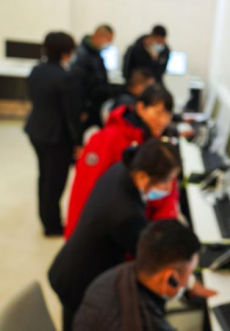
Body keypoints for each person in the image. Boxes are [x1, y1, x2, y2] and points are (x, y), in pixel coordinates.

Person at [50, 139, 212, 331]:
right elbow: (154, 259)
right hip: (77, 279)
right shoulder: (125, 215)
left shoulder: (121, 169)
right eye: (166, 181)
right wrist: (190, 282)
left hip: (78, 263)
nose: (169, 188)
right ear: (143, 177)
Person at [64, 84, 179, 239]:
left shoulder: (154, 141)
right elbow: (84, 192)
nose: (163, 120)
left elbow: (164, 187)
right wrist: (77, 238)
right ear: (140, 108)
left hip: (140, 226)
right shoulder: (108, 139)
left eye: (167, 114)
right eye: (158, 113)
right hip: (112, 232)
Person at [73, 220, 217, 331]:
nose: (190, 279)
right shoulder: (147, 325)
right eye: (191, 272)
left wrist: (189, 282)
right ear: (170, 278)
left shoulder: (111, 277)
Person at [24, 32, 83, 236]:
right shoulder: (66, 78)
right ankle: (52, 225)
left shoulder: (36, 70)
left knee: (44, 177)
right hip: (57, 137)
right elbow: (71, 115)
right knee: (55, 182)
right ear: (66, 53)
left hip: (36, 130)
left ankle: (46, 219)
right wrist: (78, 142)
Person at [71, 24, 115, 131]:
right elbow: (78, 85)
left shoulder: (96, 53)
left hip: (95, 104)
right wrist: (82, 108)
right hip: (88, 106)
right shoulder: (82, 54)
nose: (109, 44)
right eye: (108, 40)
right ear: (100, 36)